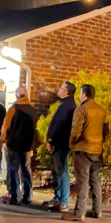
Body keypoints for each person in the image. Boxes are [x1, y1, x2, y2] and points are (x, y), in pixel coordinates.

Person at [62, 84, 108, 222]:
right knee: (95, 181)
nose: (79, 96)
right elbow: (106, 131)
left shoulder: (81, 110)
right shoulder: (101, 110)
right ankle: (97, 210)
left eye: (80, 93)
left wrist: (71, 144)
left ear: (84, 95)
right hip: (96, 150)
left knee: (82, 182)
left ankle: (78, 213)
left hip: (82, 149)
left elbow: (76, 130)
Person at [1, 86, 41, 205]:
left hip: (14, 144)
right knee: (26, 169)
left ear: (17, 95)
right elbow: (35, 128)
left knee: (13, 170)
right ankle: (27, 196)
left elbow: (6, 126)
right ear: (26, 95)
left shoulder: (13, 109)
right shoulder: (32, 110)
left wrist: (3, 139)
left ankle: (15, 195)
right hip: (27, 145)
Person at [45, 82, 77, 213]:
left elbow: (60, 124)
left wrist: (51, 138)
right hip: (59, 143)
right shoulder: (65, 104)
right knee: (58, 172)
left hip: (60, 143)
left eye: (61, 88)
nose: (59, 90)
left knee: (61, 172)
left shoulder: (67, 105)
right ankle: (58, 198)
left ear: (67, 92)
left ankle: (63, 202)